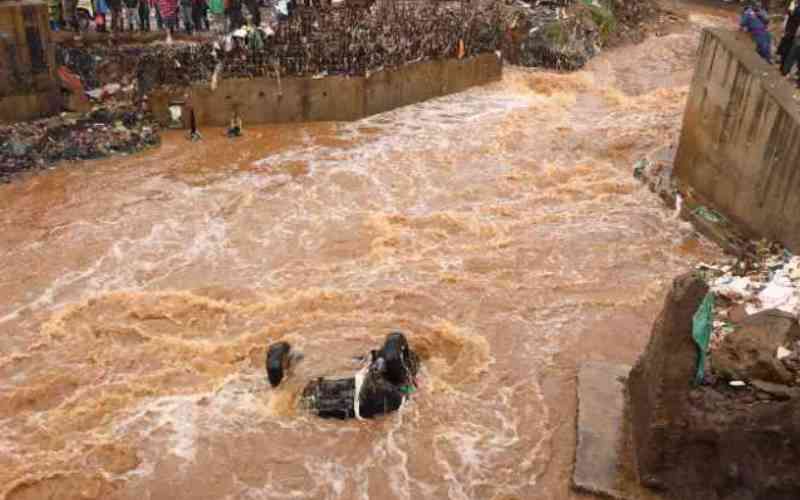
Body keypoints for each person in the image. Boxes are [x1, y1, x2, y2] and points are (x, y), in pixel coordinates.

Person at [267, 332, 420, 420]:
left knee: (300, 400)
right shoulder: (396, 389)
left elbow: (390, 353)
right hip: (337, 400)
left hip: (327, 396)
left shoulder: (386, 380)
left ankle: (284, 382)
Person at [778, 1, 800, 66]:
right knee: (786, 46)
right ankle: (782, 62)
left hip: (791, 31)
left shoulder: (796, 8)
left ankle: (782, 63)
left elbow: (790, 14)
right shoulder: (794, 6)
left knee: (787, 47)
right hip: (790, 31)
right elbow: (789, 14)